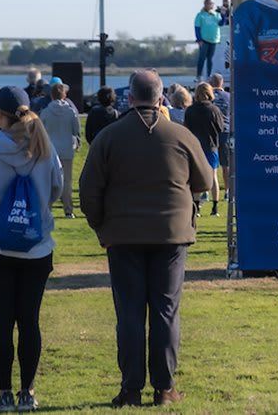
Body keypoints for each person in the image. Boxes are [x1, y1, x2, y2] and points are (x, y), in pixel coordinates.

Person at [79, 70, 213, 408]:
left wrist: (101, 227)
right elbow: (205, 182)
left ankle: (131, 388)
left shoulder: (109, 137)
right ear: (161, 97)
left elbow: (88, 190)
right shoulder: (180, 136)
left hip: (122, 236)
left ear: (130, 97)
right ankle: (165, 388)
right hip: (172, 236)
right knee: (166, 311)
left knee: (130, 313)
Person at [0, 86, 62, 412]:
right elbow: (57, 188)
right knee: (29, 321)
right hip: (37, 248)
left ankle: (4, 393)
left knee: (2, 321)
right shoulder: (45, 148)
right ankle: (27, 394)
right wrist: (35, 216)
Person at [183, 83, 225, 217]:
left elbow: (186, 128)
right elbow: (220, 128)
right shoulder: (214, 110)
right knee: (213, 177)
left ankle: (196, 207)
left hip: (195, 147)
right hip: (211, 146)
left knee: (196, 177)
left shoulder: (190, 110)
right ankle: (215, 208)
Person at [39, 83, 81, 218]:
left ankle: (47, 209)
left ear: (51, 95)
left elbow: (40, 132)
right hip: (67, 150)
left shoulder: (45, 112)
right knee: (67, 181)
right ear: (64, 95)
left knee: (50, 181)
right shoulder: (71, 112)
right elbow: (76, 130)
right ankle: (68, 210)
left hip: (51, 150)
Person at [208, 74, 232, 198]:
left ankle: (207, 192)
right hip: (225, 131)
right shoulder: (229, 97)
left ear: (211, 83)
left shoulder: (208, 97)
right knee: (225, 164)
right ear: (221, 83)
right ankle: (227, 191)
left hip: (211, 133)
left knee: (211, 164)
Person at [194, 0, 222, 81]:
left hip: (213, 39)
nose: (210, 5)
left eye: (212, 3)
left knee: (210, 59)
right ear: (205, 4)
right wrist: (199, 39)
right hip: (204, 40)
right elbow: (197, 27)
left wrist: (223, 14)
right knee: (202, 58)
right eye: (208, 3)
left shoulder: (216, 14)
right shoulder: (200, 15)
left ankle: (209, 76)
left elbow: (221, 23)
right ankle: (199, 75)